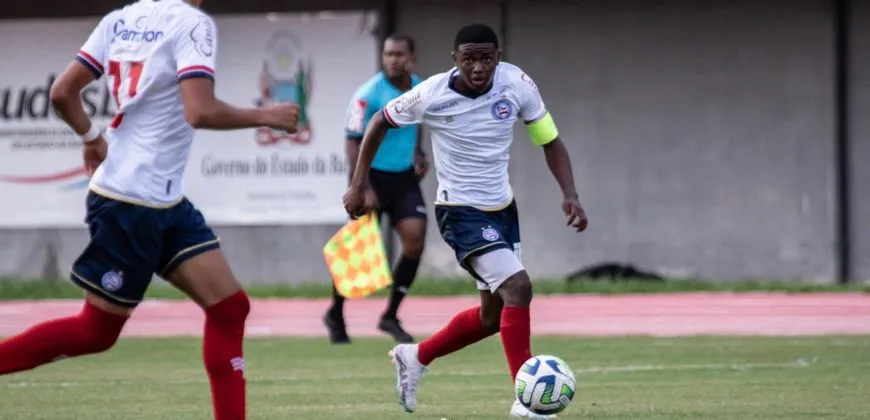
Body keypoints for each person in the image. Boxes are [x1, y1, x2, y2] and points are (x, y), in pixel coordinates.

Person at [0, 1, 298, 419]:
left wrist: (90, 137)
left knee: (230, 308)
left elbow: (61, 93)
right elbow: (201, 111)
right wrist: (268, 116)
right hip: (131, 204)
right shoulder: (193, 23)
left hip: (164, 201)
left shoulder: (120, 19)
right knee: (96, 332)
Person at [343, 23, 588, 418]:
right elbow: (377, 123)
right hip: (459, 212)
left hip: (502, 211)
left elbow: (548, 138)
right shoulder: (432, 93)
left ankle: (416, 356)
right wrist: (357, 185)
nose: (478, 67)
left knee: (492, 318)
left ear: (499, 58)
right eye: (469, 58)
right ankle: (527, 404)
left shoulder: (517, 84)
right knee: (518, 288)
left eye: (486, 58)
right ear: (454, 59)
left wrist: (570, 194)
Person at [324, 34, 429, 345]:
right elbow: (351, 139)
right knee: (358, 249)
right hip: (371, 178)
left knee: (415, 241)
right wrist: (362, 185)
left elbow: (418, 123)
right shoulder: (368, 94)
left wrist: (419, 153)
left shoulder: (420, 87)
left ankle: (390, 315)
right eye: (387, 54)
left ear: (412, 57)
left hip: (403, 177)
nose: (392, 60)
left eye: (398, 54)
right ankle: (336, 312)